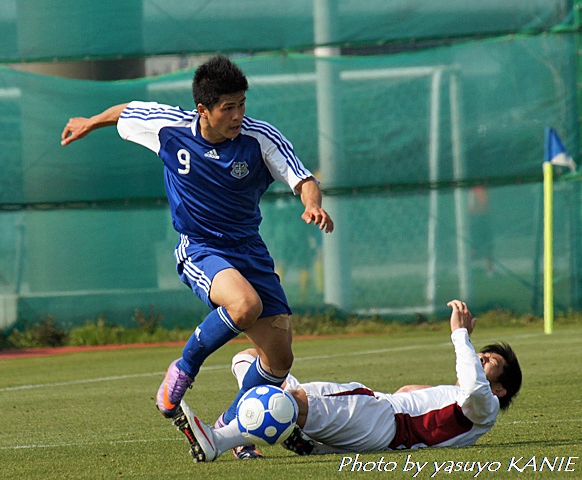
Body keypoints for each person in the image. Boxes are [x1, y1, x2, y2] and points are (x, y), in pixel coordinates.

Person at [60, 55, 335, 455]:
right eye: (229, 107)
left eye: (242, 104)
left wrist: (313, 204)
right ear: (203, 110)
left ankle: (233, 428)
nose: (239, 114)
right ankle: (182, 371)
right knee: (244, 305)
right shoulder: (169, 127)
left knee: (279, 360)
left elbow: (303, 177)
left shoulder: (259, 138)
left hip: (249, 251)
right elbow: (125, 111)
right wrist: (89, 122)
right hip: (201, 247)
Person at [173, 299, 522, 462]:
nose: (480, 358)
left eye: (491, 361)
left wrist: (461, 335)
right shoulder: (460, 402)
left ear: (501, 388)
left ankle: (218, 438)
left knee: (284, 402)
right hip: (374, 419)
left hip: (381, 420)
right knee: (248, 360)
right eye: (483, 354)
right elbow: (413, 395)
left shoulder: (485, 407)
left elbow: (475, 386)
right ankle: (287, 435)